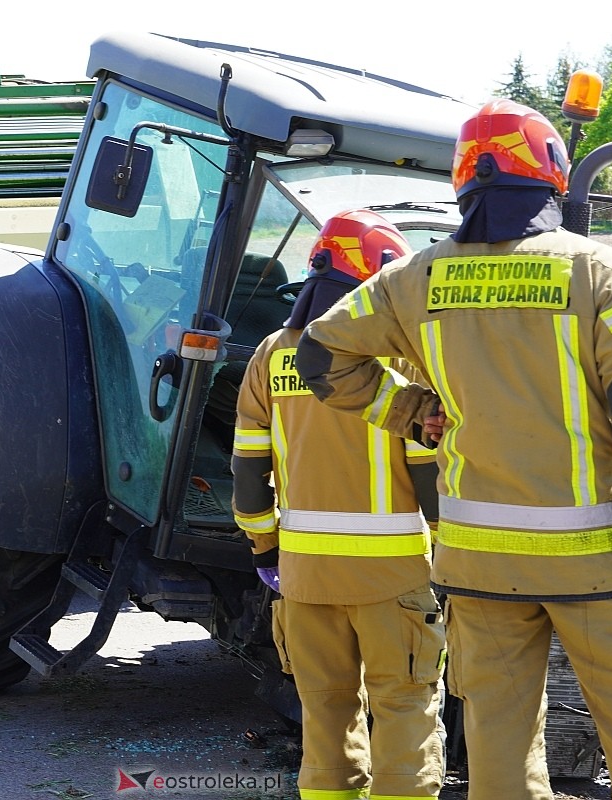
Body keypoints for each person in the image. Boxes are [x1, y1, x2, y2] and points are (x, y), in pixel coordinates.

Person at [295, 100, 612, 799]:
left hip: (478, 566)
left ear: (464, 181)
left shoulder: (414, 278)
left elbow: (318, 353)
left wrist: (411, 409)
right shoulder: (600, 274)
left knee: (498, 742)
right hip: (596, 567)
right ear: (551, 173)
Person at [232, 210, 445, 800]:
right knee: (404, 710)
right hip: (392, 576)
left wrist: (265, 545)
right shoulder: (398, 359)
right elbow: (429, 476)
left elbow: (249, 472)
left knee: (325, 720)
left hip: (303, 580)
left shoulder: (272, 357)